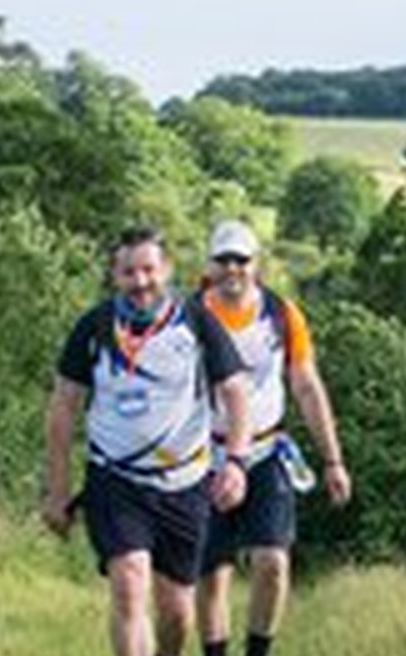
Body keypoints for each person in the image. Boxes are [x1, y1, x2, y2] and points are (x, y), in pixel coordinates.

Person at [42, 226, 252, 656]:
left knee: (177, 612)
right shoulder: (94, 327)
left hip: (185, 485)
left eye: (149, 270)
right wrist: (57, 490)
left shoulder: (196, 321)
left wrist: (235, 461)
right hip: (116, 481)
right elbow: (63, 407)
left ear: (167, 270)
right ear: (114, 275)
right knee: (129, 583)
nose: (140, 282)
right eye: (128, 272)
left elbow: (235, 392)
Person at [196, 220, 352, 656]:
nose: (232, 269)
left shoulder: (283, 315)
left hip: (266, 451)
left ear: (256, 265)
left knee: (273, 563)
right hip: (205, 455)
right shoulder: (189, 317)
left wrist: (333, 461)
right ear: (209, 266)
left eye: (241, 260)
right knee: (212, 571)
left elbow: (306, 386)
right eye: (223, 259)